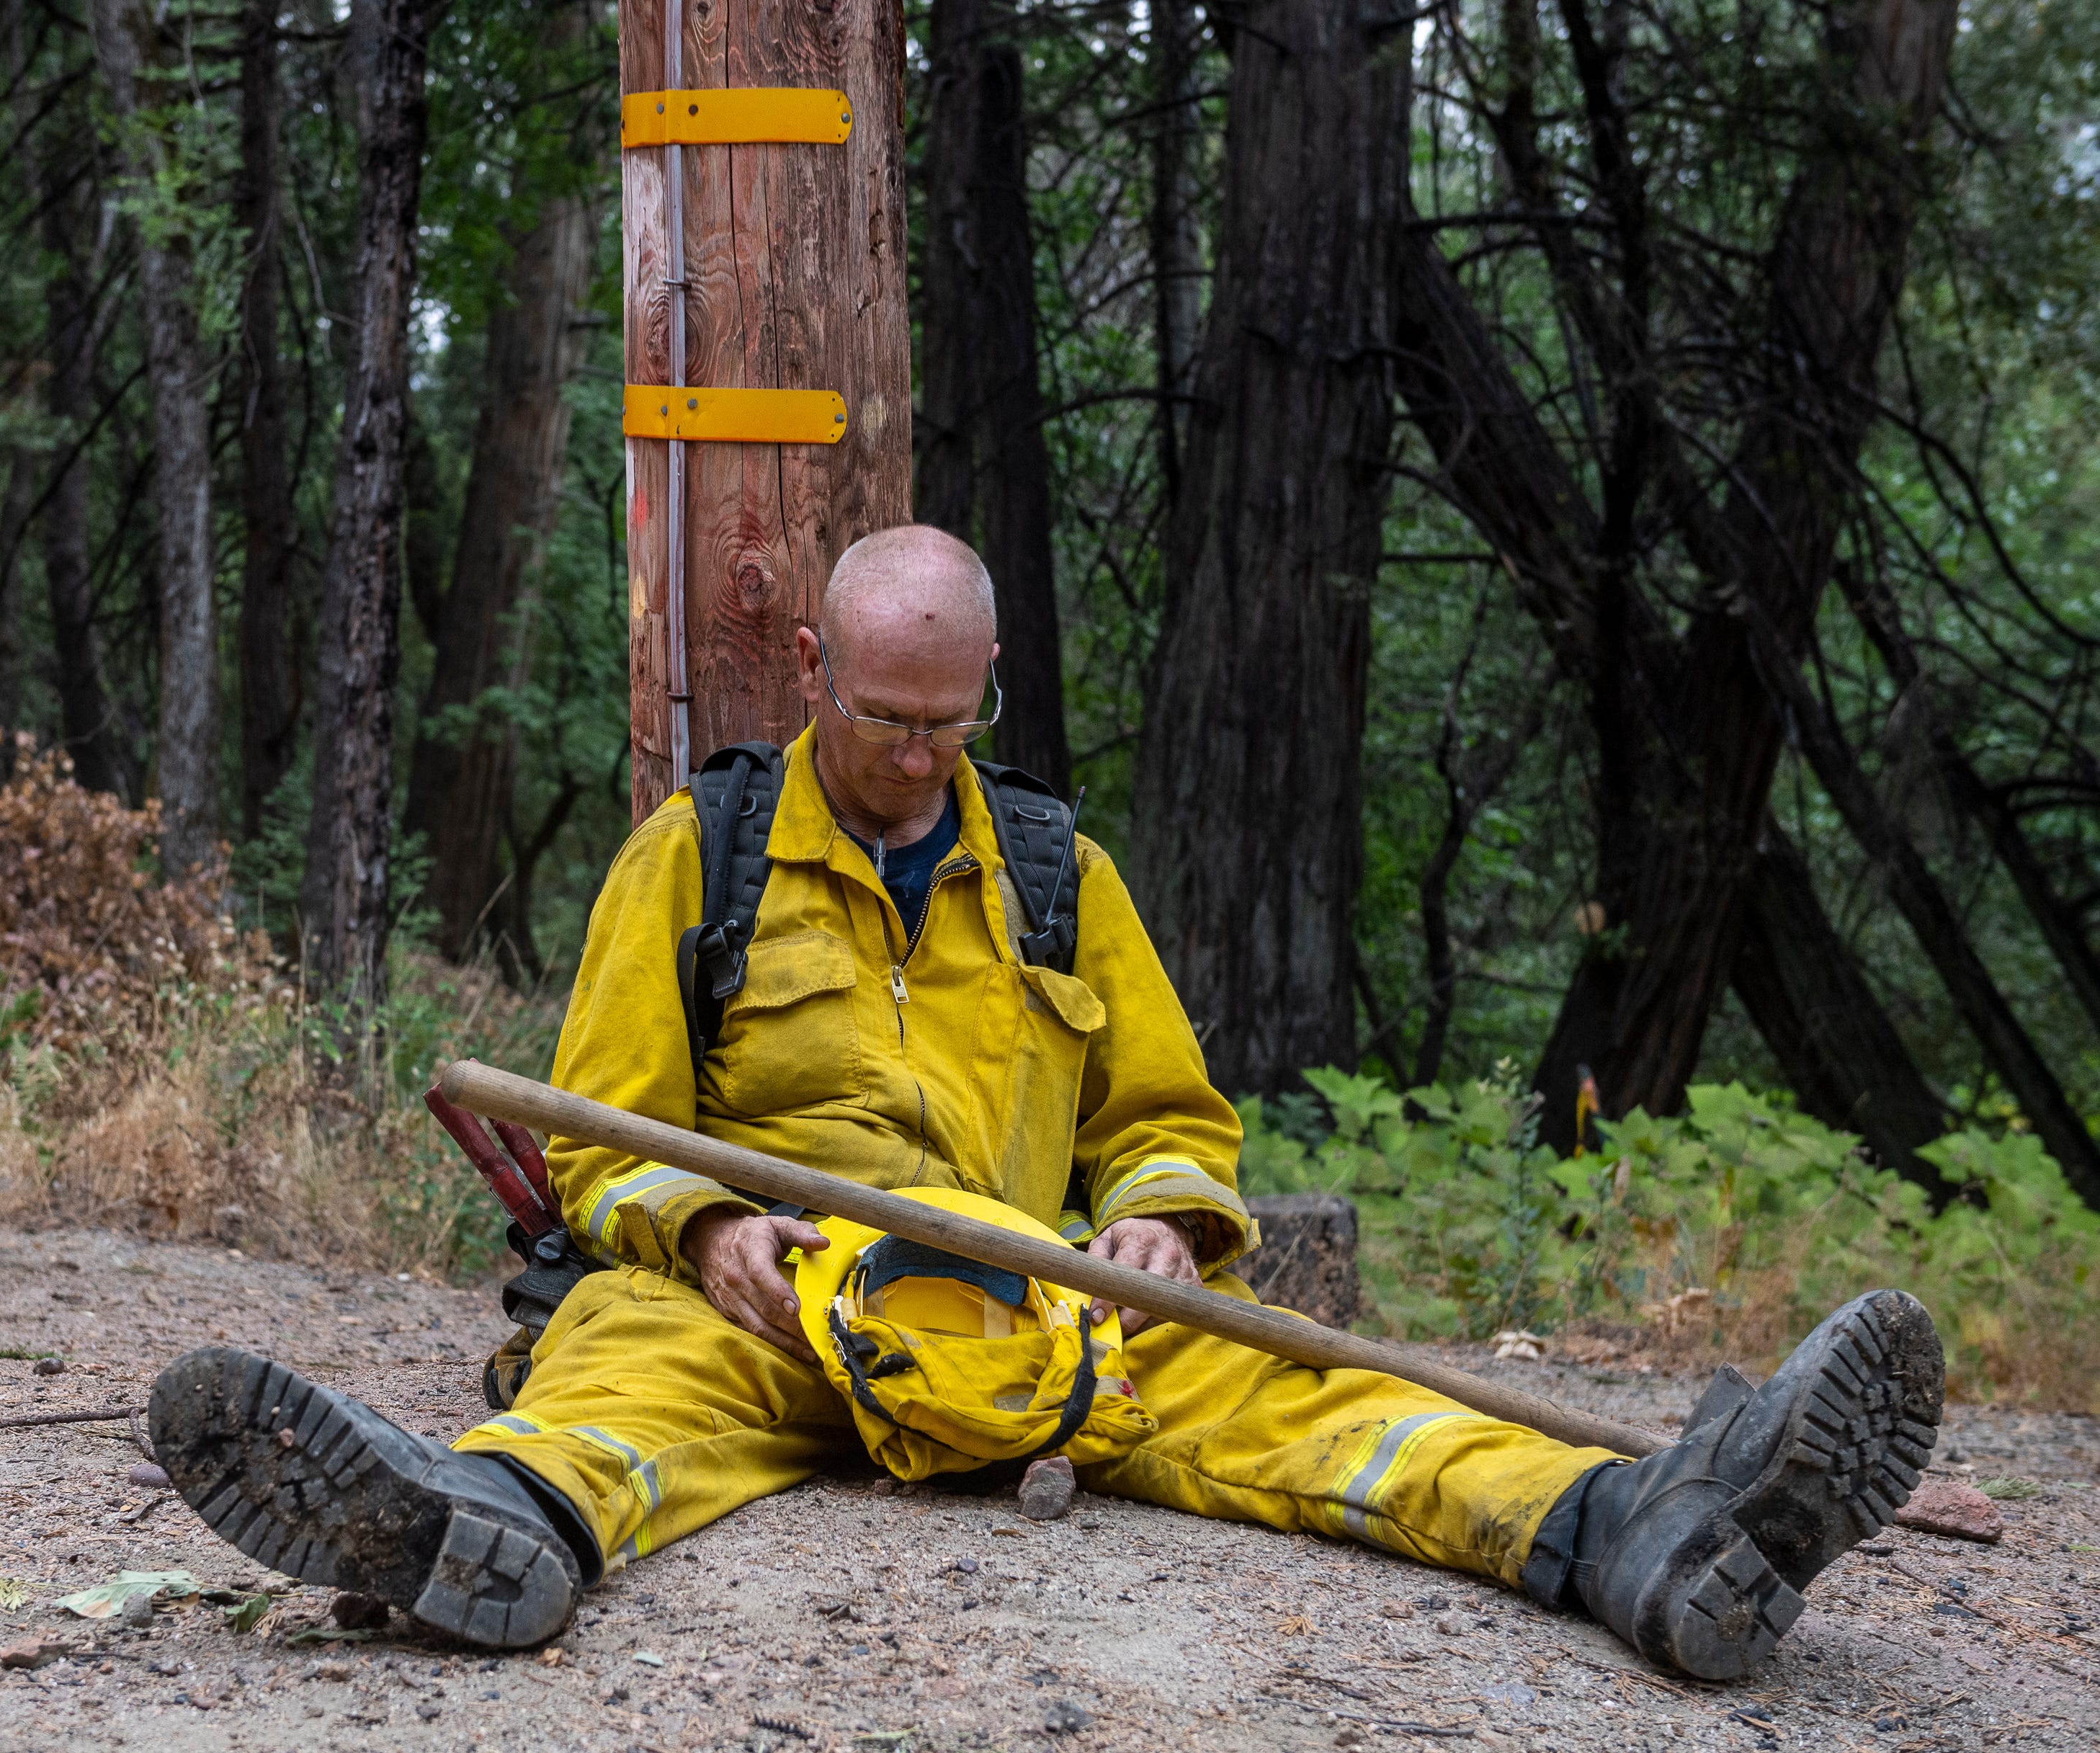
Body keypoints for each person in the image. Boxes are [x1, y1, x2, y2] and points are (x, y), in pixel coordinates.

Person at [149, 526, 1942, 1678]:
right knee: (615, 1385)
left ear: (983, 687)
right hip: (757, 1314)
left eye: (948, 717)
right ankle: (471, 1534)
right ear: (811, 680)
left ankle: (1646, 1536)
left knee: (1323, 1405)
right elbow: (594, 1138)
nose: (916, 753)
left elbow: (1169, 1110)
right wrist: (703, 1224)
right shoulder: (687, 859)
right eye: (881, 718)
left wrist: (1165, 1209)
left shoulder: (1060, 870)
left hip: (1034, 1307)